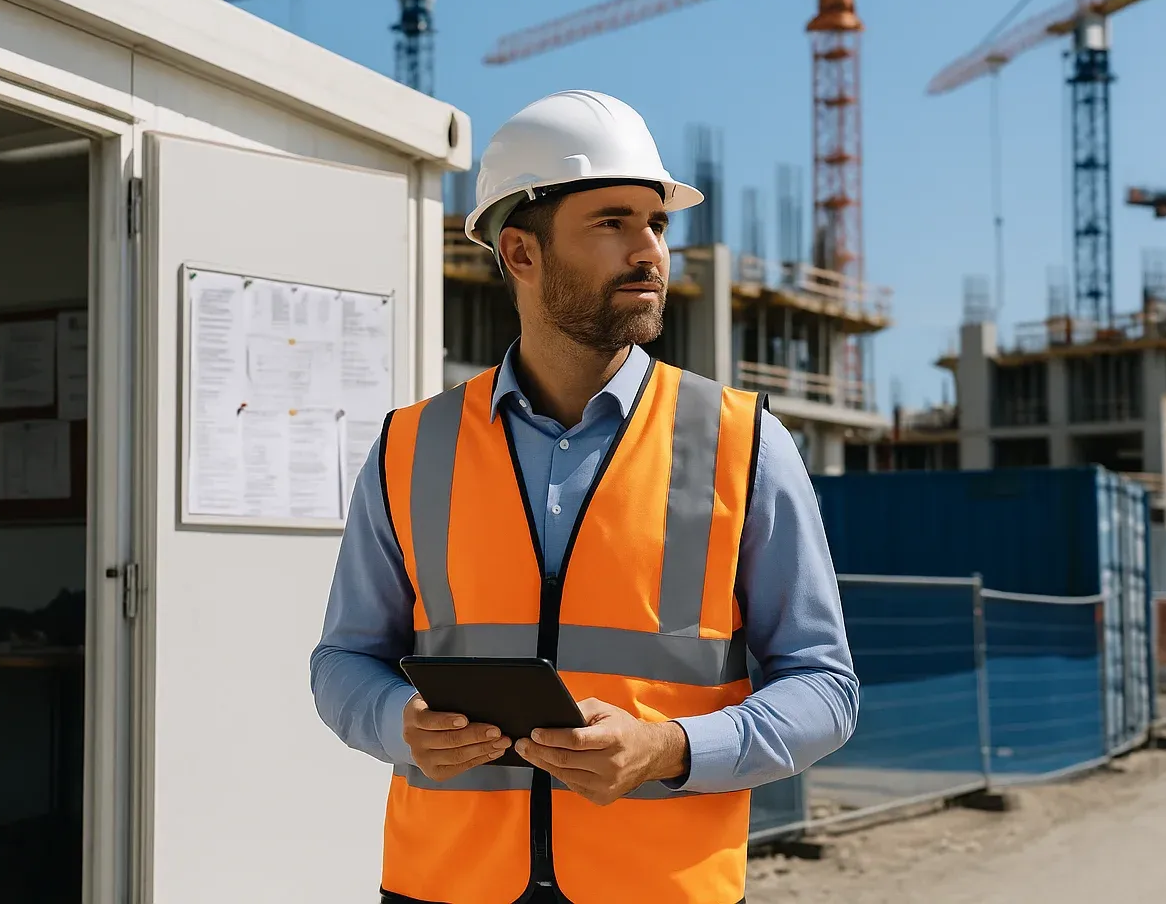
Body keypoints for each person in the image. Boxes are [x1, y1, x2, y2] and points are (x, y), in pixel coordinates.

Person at [311, 90, 858, 904]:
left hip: (659, 888)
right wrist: (401, 723)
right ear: (522, 255)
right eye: (613, 223)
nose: (651, 252)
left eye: (658, 224)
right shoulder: (410, 448)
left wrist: (670, 747)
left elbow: (825, 687)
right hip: (444, 885)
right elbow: (342, 663)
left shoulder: (743, 444)